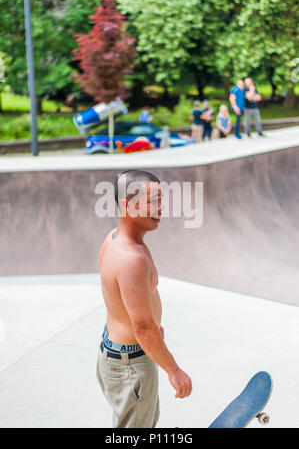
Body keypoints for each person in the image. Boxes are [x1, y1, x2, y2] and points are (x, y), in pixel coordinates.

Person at [96, 170, 192, 428]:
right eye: (153, 201)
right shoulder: (132, 259)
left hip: (116, 354)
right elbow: (142, 328)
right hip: (131, 366)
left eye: (161, 200)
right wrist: (174, 370)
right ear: (128, 204)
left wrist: (147, 326)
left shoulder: (112, 239)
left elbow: (115, 299)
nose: (161, 208)